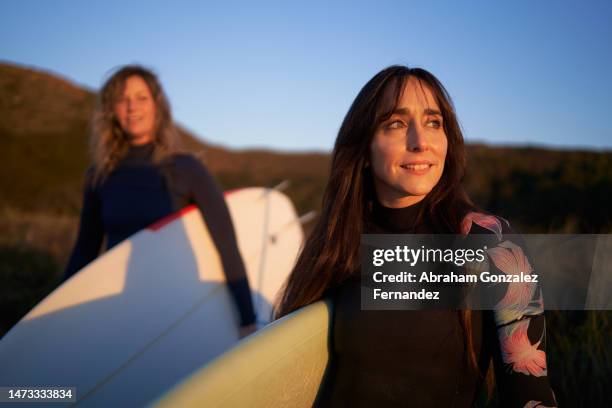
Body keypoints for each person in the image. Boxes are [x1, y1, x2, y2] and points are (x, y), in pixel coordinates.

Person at [276, 66, 557, 407]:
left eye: (433, 122)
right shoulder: (338, 241)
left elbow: (530, 396)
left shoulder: (490, 241)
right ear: (364, 148)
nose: (421, 142)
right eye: (396, 123)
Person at [64, 65, 257, 338]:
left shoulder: (187, 168)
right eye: (123, 99)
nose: (132, 107)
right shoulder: (99, 176)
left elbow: (225, 244)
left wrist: (247, 319)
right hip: (120, 306)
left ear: (157, 105)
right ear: (111, 110)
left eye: (141, 98)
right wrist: (54, 315)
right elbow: (85, 251)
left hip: (176, 307)